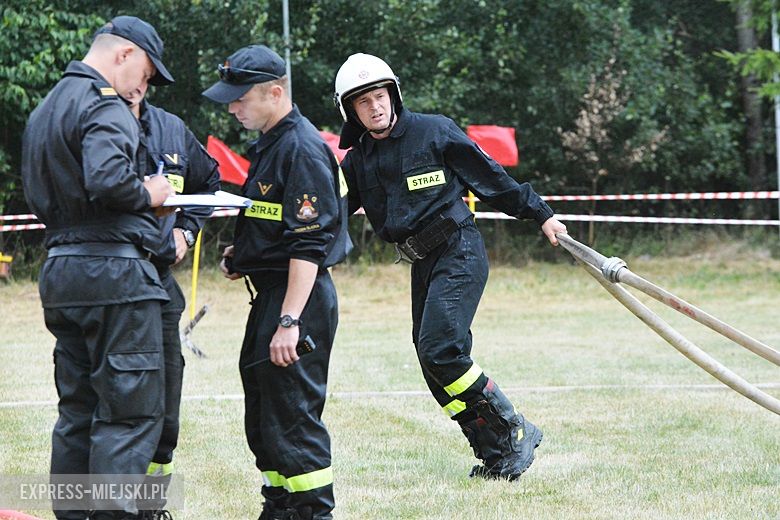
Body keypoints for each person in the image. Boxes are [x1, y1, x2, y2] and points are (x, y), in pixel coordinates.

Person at [332, 53, 568, 481]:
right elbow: (329, 215)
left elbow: (492, 178)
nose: (375, 106)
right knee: (433, 363)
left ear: (394, 96)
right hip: (421, 263)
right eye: (363, 101)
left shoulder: (434, 131)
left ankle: (515, 427)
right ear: (350, 110)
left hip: (459, 249)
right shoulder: (357, 161)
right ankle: (497, 454)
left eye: (380, 96)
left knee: (442, 349)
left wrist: (541, 214)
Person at [21, 15, 175, 520]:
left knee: (77, 412)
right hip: (115, 279)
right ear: (123, 54)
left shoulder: (44, 110)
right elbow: (109, 179)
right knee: (127, 415)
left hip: (62, 273)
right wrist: (149, 192)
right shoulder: (105, 105)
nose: (142, 88)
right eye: (147, 74)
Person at [202, 44, 351, 520]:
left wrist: (289, 320)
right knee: (264, 411)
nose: (232, 107)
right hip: (271, 291)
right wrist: (244, 255)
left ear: (275, 91)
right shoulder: (270, 143)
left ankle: (312, 511)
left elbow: (309, 244)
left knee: (292, 414)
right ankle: (281, 505)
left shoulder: (301, 147)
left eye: (240, 98)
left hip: (296, 300)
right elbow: (274, 221)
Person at [123, 80, 222, 518]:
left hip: (162, 286)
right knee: (115, 403)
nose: (137, 85)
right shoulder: (94, 127)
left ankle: (151, 507)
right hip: (113, 284)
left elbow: (209, 182)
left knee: (165, 408)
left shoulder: (170, 129)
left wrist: (185, 230)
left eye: (147, 77)